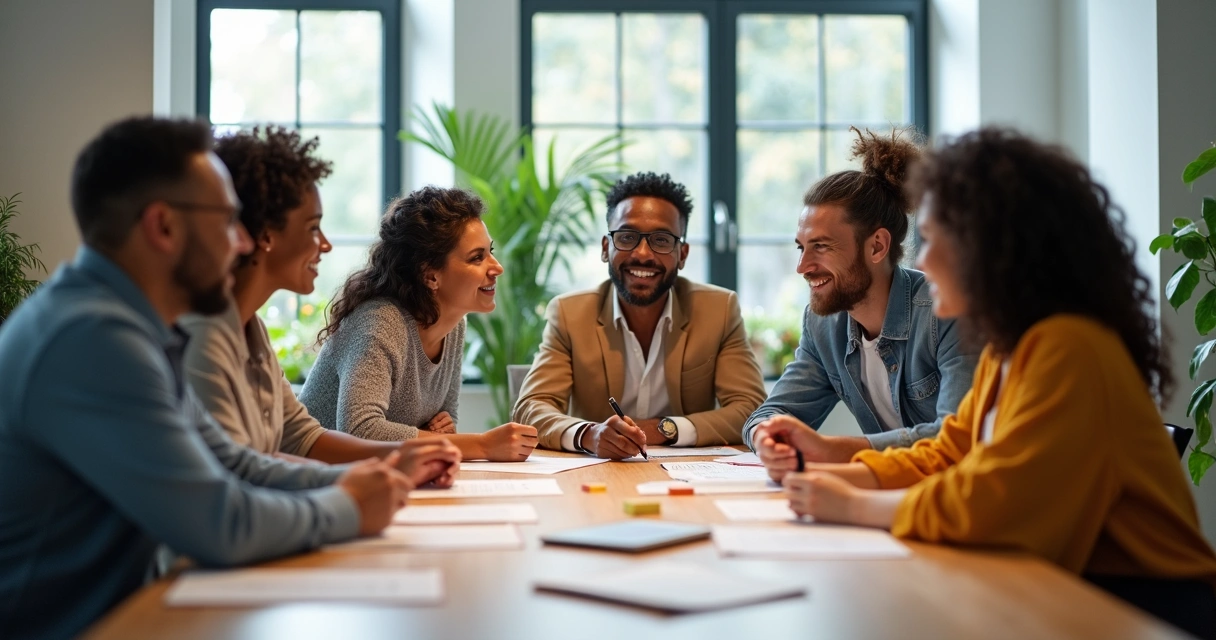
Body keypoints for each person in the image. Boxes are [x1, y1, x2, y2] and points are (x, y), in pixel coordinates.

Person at [765, 128, 1216, 638]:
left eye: (938, 240)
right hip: (1060, 583)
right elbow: (948, 454)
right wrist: (839, 474)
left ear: (996, 248)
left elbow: (996, 502)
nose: (921, 261)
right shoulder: (1012, 349)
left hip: (1141, 606)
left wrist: (853, 503)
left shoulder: (1070, 345)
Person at [0, 117, 410, 639]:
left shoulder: (134, 327)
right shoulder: (92, 338)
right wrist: (349, 507)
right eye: (228, 220)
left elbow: (230, 462)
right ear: (163, 226)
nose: (241, 243)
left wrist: (354, 481)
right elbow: (220, 523)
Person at [181, 126, 460, 488]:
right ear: (266, 236)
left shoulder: (253, 331)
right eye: (313, 228)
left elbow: (302, 437)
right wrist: (359, 490)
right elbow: (238, 477)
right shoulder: (202, 338)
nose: (325, 245)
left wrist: (407, 457)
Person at [742, 128, 977, 463]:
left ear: (877, 246)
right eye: (801, 247)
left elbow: (958, 437)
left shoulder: (946, 312)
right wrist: (765, 436)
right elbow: (773, 412)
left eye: (821, 247)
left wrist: (838, 449)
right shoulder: (824, 325)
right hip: (893, 494)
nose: (802, 267)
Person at [513, 171, 766, 459]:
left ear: (682, 254)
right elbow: (531, 407)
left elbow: (751, 407)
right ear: (606, 248)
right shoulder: (570, 314)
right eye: (627, 237)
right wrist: (589, 434)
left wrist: (664, 428)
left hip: (692, 474)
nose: (643, 254)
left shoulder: (718, 310)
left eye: (660, 240)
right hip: (598, 473)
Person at [299, 186, 538, 461]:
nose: (497, 267)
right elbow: (359, 430)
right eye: (477, 257)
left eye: (490, 252)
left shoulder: (455, 324)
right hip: (310, 483)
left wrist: (437, 434)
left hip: (378, 479)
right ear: (431, 276)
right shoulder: (380, 322)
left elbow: (445, 423)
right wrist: (482, 445)